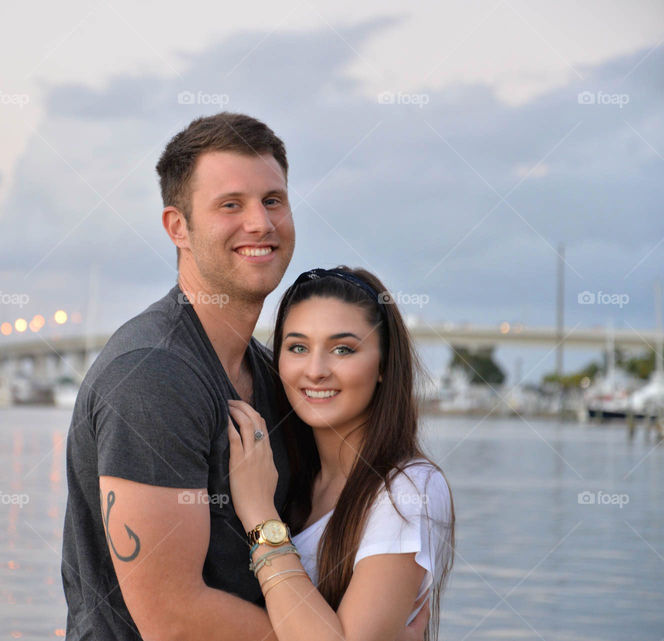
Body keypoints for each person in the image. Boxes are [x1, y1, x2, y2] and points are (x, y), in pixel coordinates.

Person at [61, 112, 429, 641]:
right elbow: (173, 618)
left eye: (273, 200)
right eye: (230, 204)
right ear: (178, 227)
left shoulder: (272, 375)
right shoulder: (152, 376)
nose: (260, 222)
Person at [226, 266, 455, 641]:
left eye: (343, 349)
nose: (315, 370)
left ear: (383, 365)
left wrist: (258, 514)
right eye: (298, 347)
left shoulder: (408, 490)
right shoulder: (290, 474)